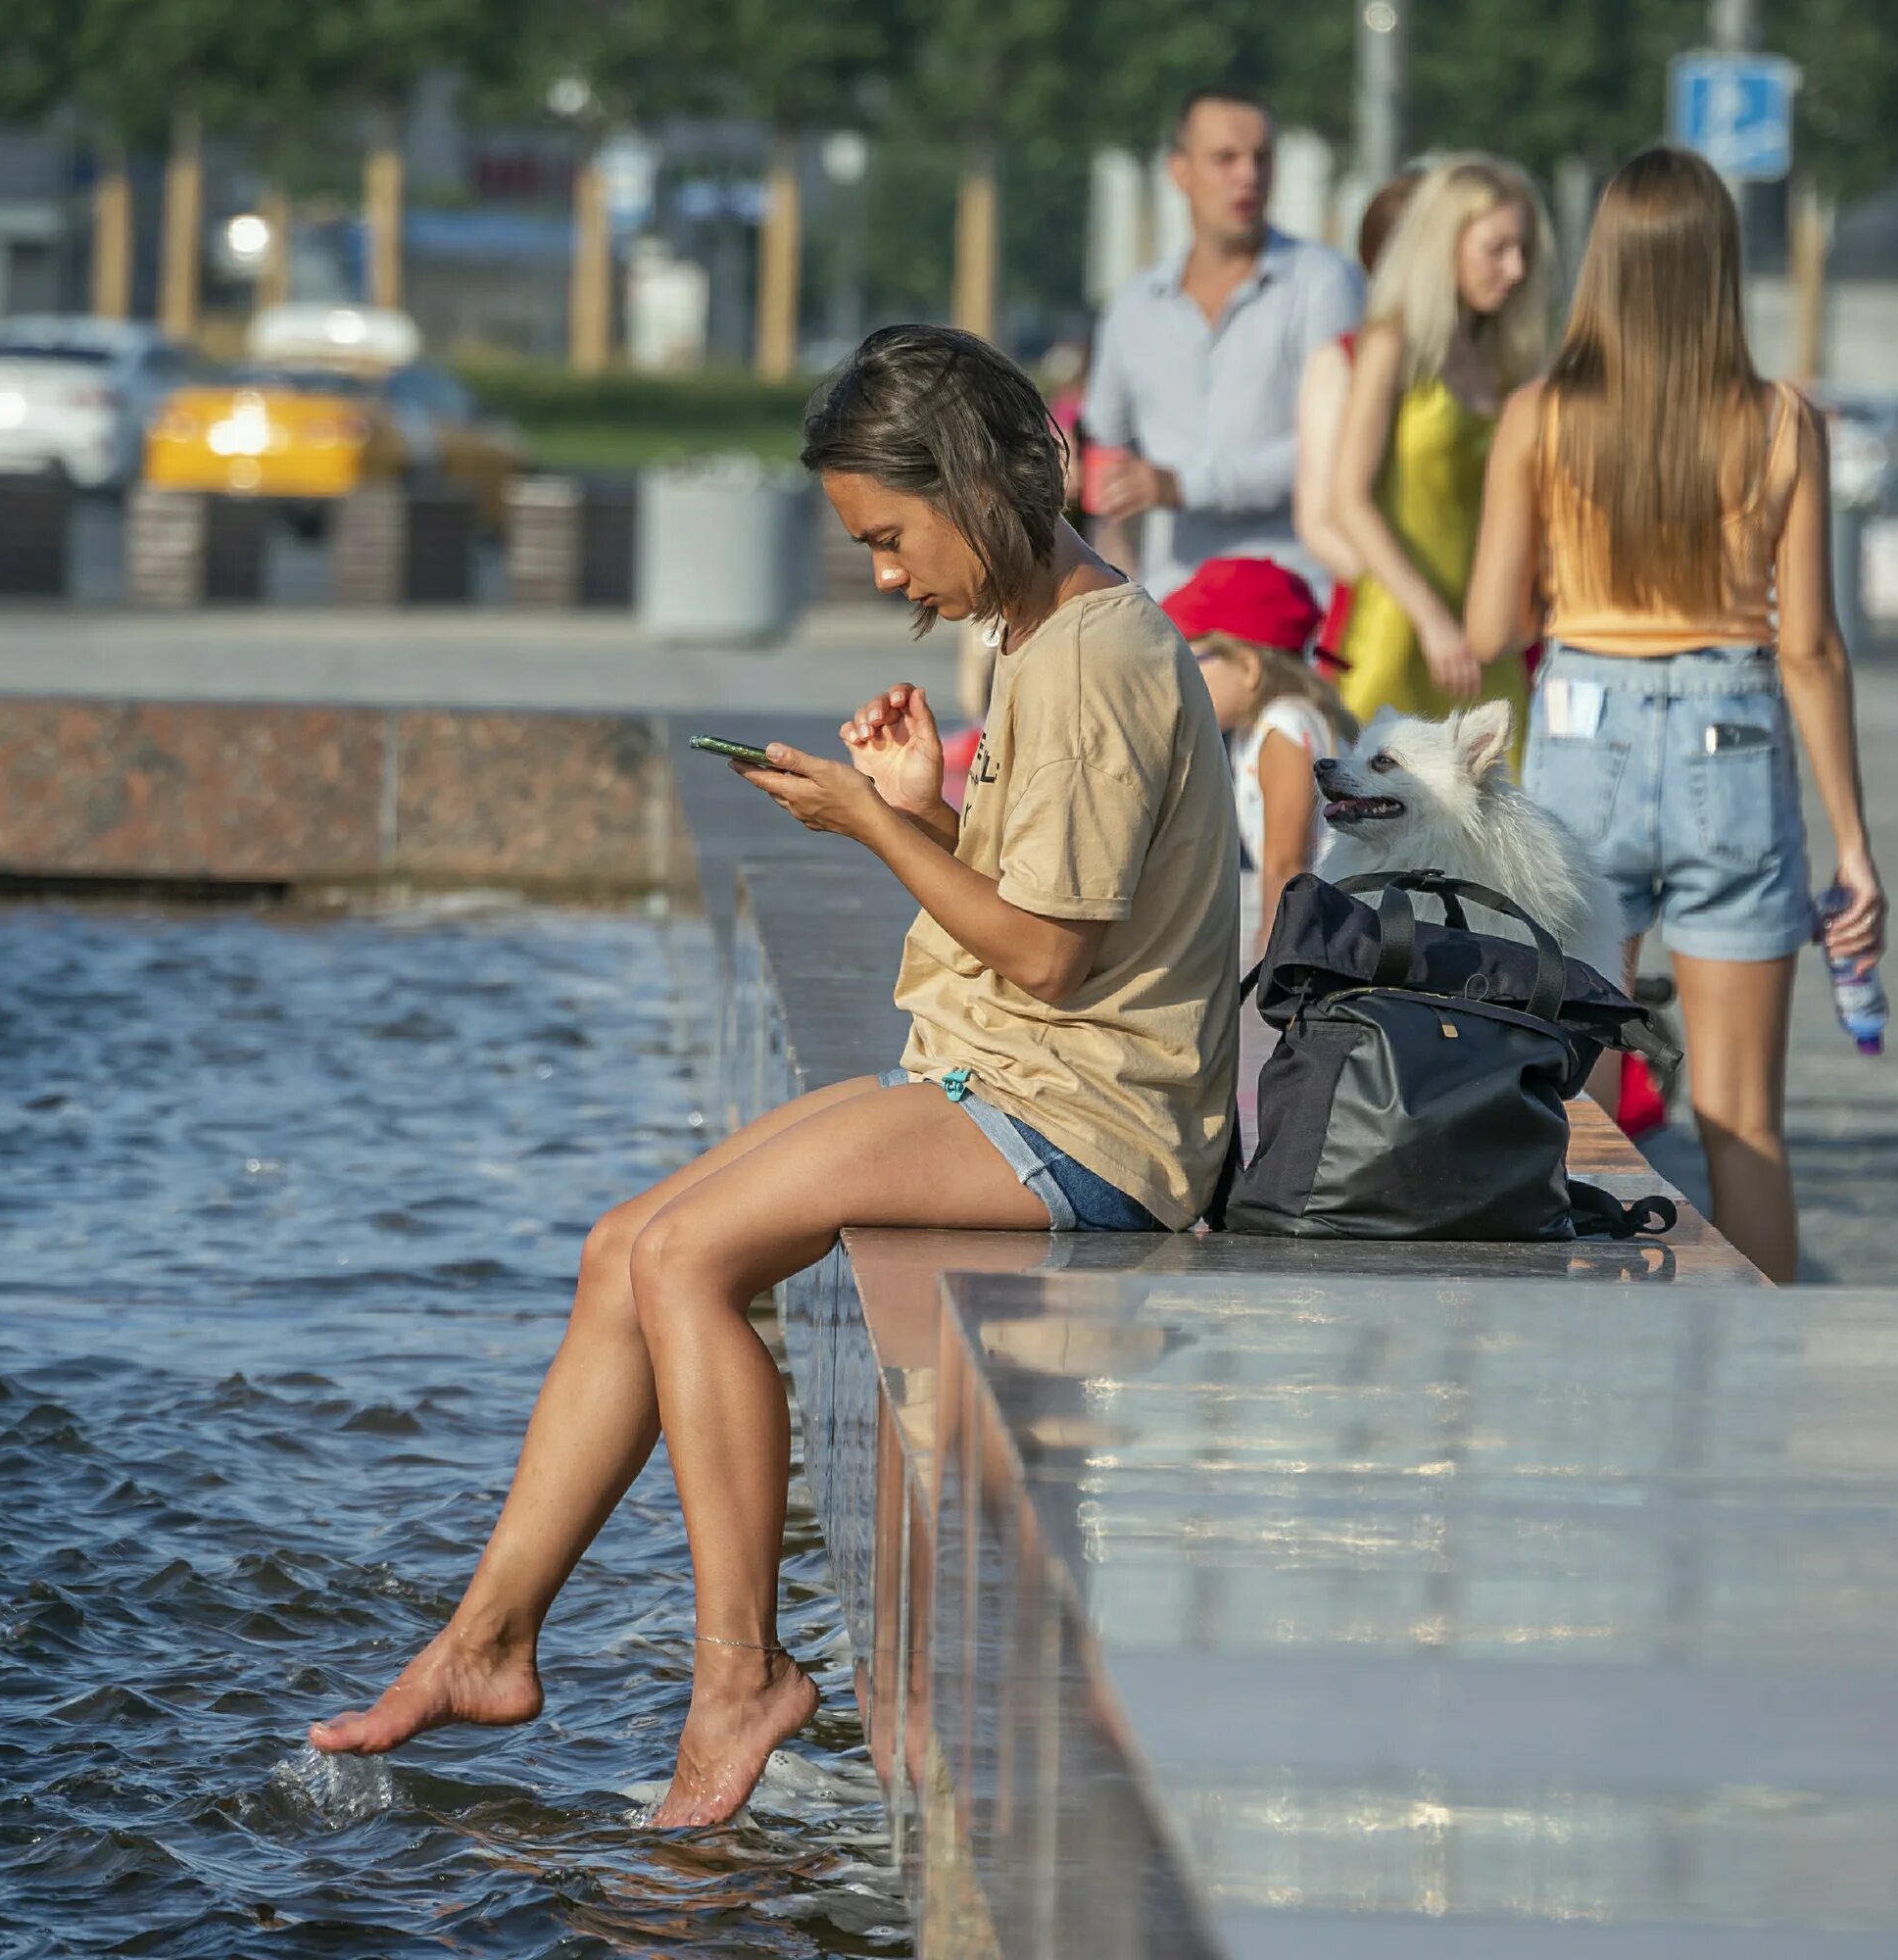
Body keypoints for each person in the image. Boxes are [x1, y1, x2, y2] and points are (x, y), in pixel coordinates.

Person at [306, 326, 1242, 1819]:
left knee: (688, 1258)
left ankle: (741, 1677)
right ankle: (485, 1642)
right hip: (1001, 1078)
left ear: (977, 486)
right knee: (626, 1245)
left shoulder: (1093, 653)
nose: (883, 576)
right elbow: (1046, 911)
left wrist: (873, 831)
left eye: (888, 536)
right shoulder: (1037, 631)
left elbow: (1059, 961)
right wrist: (923, 808)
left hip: (1084, 1120)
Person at [1465, 145, 1885, 1284]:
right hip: (1734, 737)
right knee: (1744, 1115)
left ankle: (1580, 1361)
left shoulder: (1540, 418)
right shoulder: (1780, 420)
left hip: (1585, 733)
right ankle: (1759, 1386)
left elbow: (1495, 620)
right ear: (1719, 271)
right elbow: (1808, 644)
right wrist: (1851, 841)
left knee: (1572, 1095)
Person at [1080, 85, 1363, 596]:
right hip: (1173, 606)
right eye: (1225, 158)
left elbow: (1341, 449)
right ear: (1179, 171)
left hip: (1297, 601)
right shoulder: (1132, 306)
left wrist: (1183, 485)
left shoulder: (1326, 282)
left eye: (1262, 158)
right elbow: (1104, 449)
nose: (1248, 176)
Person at [1335, 156, 1556, 746]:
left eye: (1524, 250)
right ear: (1444, 243)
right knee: (1376, 810)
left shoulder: (1514, 359)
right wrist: (1431, 620)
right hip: (1401, 628)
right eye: (1497, 247)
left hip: (1492, 636)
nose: (1514, 268)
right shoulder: (1392, 344)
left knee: (1501, 820)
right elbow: (1349, 500)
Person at [1163, 555, 1355, 957]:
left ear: (1249, 666)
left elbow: (1287, 866)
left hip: (1324, 935)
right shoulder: (1258, 728)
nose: (1174, 680)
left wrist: (1271, 960)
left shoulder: (1284, 727)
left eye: (1187, 662)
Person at [1292, 170, 1426, 673]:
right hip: (1381, 626)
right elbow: (1321, 521)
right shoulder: (1342, 361)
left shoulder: (1489, 369)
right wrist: (1419, 603)